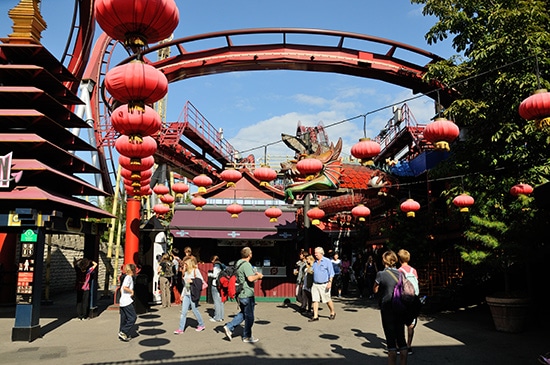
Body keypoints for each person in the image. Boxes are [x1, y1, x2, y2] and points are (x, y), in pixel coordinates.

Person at [373, 250, 408, 365]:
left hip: (387, 307)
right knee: (401, 338)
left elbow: (375, 289)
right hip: (401, 307)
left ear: (384, 261)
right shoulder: (401, 274)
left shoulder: (381, 274)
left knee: (391, 340)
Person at [223, 247, 263, 343]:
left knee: (243, 314)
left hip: (241, 293)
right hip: (247, 293)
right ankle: (247, 336)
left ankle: (229, 327)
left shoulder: (239, 263)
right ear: (249, 254)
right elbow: (250, 278)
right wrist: (259, 276)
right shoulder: (246, 265)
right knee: (249, 317)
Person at [174, 256, 206, 334]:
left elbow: (200, 281)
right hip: (186, 293)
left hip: (193, 293)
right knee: (183, 312)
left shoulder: (196, 270)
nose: (184, 265)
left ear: (189, 264)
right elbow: (185, 285)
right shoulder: (186, 272)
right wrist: (182, 294)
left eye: (186, 264)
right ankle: (181, 329)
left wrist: (192, 280)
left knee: (195, 310)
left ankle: (201, 324)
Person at [398, 249, 420, 355]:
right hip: (414, 298)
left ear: (399, 259)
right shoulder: (413, 270)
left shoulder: (399, 271)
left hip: (403, 300)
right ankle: (409, 346)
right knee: (411, 325)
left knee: (400, 323)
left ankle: (400, 346)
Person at [309, 246, 336, 322]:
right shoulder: (314, 262)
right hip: (315, 284)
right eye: (315, 253)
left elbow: (331, 273)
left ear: (321, 253)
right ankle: (315, 316)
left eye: (316, 253)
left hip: (324, 284)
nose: (315, 254)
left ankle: (332, 312)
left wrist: (330, 282)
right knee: (315, 300)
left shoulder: (327, 261)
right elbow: (312, 271)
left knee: (327, 300)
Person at [118, 263, 137, 342]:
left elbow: (121, 289)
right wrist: (131, 291)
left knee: (124, 318)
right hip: (127, 301)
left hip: (123, 300)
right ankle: (124, 331)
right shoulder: (129, 278)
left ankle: (122, 332)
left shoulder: (126, 277)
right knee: (133, 317)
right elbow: (125, 287)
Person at [208, 255, 225, 322]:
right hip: (221, 284)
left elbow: (215, 275)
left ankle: (217, 317)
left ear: (213, 260)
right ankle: (221, 316)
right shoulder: (221, 265)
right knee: (221, 301)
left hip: (215, 284)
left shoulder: (216, 266)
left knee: (216, 301)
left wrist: (209, 274)